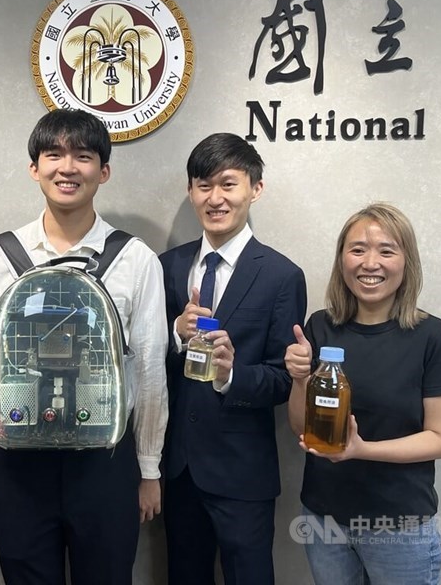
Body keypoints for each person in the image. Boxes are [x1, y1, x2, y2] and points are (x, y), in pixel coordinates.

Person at [0, 108, 168, 585]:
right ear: (35, 168)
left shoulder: (135, 260)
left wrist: (148, 468)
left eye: (83, 156)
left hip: (106, 461)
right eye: (53, 155)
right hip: (16, 460)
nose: (67, 167)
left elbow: (151, 370)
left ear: (103, 171)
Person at [285, 202, 441, 585]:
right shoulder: (320, 327)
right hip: (324, 520)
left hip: (399, 526)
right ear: (342, 260)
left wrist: (362, 450)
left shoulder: (432, 337)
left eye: (386, 250)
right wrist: (300, 379)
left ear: (406, 262)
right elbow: (303, 429)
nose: (370, 263)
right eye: (357, 250)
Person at [159, 133, 307, 585]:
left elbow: (284, 380)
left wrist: (230, 376)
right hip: (179, 468)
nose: (215, 198)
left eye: (228, 184)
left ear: (254, 189)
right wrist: (175, 335)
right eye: (203, 185)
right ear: (191, 192)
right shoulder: (166, 267)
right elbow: (143, 362)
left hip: (244, 472)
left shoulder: (282, 275)